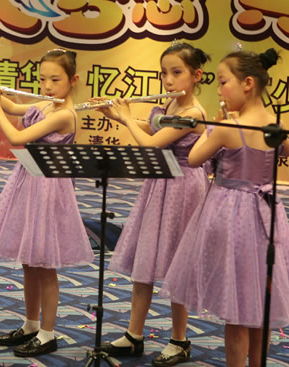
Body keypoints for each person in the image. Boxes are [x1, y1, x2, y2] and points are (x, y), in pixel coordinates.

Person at [163, 49, 289, 367]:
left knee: (237, 308)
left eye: (223, 82)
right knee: (259, 304)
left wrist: (215, 126)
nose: (219, 90)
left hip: (232, 216)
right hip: (268, 217)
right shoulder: (275, 124)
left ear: (248, 83)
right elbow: (286, 150)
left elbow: (195, 158)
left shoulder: (229, 127)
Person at [93, 42, 210, 366]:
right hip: (159, 183)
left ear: (196, 75)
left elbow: (151, 144)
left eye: (177, 72)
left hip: (182, 187)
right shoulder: (171, 103)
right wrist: (117, 116)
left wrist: (126, 116)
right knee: (144, 260)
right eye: (164, 73)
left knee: (177, 266)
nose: (168, 80)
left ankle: (179, 340)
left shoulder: (193, 113)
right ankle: (134, 335)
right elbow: (155, 128)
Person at [0, 49, 94, 357]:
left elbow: (17, 137)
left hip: (50, 189)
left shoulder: (64, 114)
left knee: (44, 264)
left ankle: (47, 333)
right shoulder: (45, 104)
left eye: (55, 80)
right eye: (43, 79)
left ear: (73, 80)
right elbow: (14, 106)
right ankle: (30, 325)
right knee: (29, 260)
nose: (48, 86)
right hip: (29, 182)